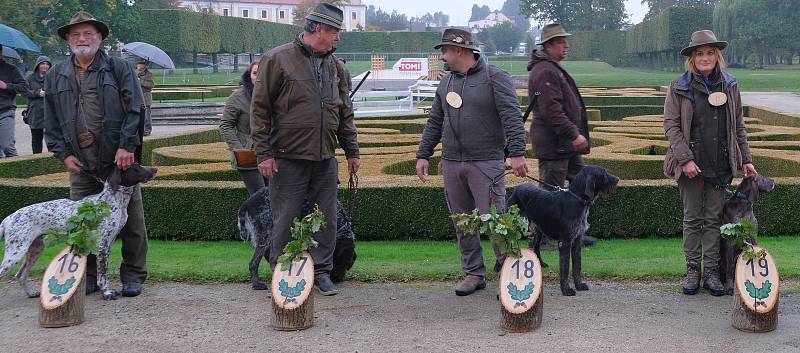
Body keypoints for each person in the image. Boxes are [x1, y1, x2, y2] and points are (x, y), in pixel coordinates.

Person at [250, 3, 360, 296]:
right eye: (335, 31)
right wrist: (264, 154)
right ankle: (283, 274)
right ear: (318, 29)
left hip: (325, 157)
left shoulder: (336, 66)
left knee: (326, 219)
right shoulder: (277, 59)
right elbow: (259, 110)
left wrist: (352, 151)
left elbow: (344, 112)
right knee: (284, 218)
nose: (337, 37)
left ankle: (322, 272)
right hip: (287, 157)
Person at [416, 28, 528, 296]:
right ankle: (473, 273)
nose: (442, 57)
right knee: (463, 222)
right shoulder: (446, 83)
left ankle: (508, 273)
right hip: (453, 163)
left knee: (497, 221)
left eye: (444, 51)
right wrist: (423, 154)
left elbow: (512, 116)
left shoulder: (494, 77)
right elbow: (435, 121)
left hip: (487, 163)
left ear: (459, 50)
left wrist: (517, 153)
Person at [44, 11, 149, 297]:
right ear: (68, 39)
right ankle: (88, 274)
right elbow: (50, 120)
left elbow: (135, 109)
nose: (82, 39)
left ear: (100, 37)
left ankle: (133, 274)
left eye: (88, 33)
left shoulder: (119, 68)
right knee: (83, 223)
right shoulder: (56, 74)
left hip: (118, 160)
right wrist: (63, 155)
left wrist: (128, 146)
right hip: (81, 162)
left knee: (131, 221)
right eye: (76, 34)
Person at [663, 30, 756, 297]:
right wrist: (686, 159)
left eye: (710, 53)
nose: (705, 58)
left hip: (720, 165)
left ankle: (713, 272)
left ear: (718, 56)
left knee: (714, 220)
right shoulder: (679, 86)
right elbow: (671, 127)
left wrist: (746, 159)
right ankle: (693, 270)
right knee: (692, 219)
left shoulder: (730, 85)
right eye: (700, 54)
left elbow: (738, 126)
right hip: (689, 165)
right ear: (692, 58)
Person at [527, 23, 592, 249]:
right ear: (549, 45)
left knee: (582, 187)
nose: (566, 45)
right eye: (562, 42)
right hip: (556, 145)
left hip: (564, 145)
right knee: (549, 195)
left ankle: (576, 230)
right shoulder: (545, 70)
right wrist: (574, 133)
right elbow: (551, 110)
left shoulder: (550, 68)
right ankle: (539, 240)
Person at [220, 61, 265, 194]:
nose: (259, 76)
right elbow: (225, 125)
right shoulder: (238, 97)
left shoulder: (276, 94)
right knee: (260, 195)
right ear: (249, 75)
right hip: (249, 154)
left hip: (272, 152)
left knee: (275, 196)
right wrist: (239, 149)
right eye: (255, 73)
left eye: (262, 72)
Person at [0, 46, 29, 158]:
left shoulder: (11, 69)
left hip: (5, 111)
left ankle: (20, 173)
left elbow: (24, 88)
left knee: (7, 146)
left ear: (1, 53)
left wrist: (6, 86)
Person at [24, 56, 52, 154]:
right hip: (35, 112)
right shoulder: (30, 78)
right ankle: (37, 160)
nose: (45, 66)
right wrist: (37, 93)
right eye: (42, 64)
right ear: (38, 65)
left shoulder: (53, 77)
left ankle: (52, 160)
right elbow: (25, 92)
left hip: (50, 112)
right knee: (36, 139)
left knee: (52, 139)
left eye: (47, 64)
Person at [136, 59, 154, 136]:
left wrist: (140, 81)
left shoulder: (149, 74)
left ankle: (147, 130)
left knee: (147, 116)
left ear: (144, 65)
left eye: (140, 64)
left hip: (146, 98)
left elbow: (150, 85)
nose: (138, 66)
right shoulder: (135, 73)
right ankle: (139, 130)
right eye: (138, 64)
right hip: (137, 97)